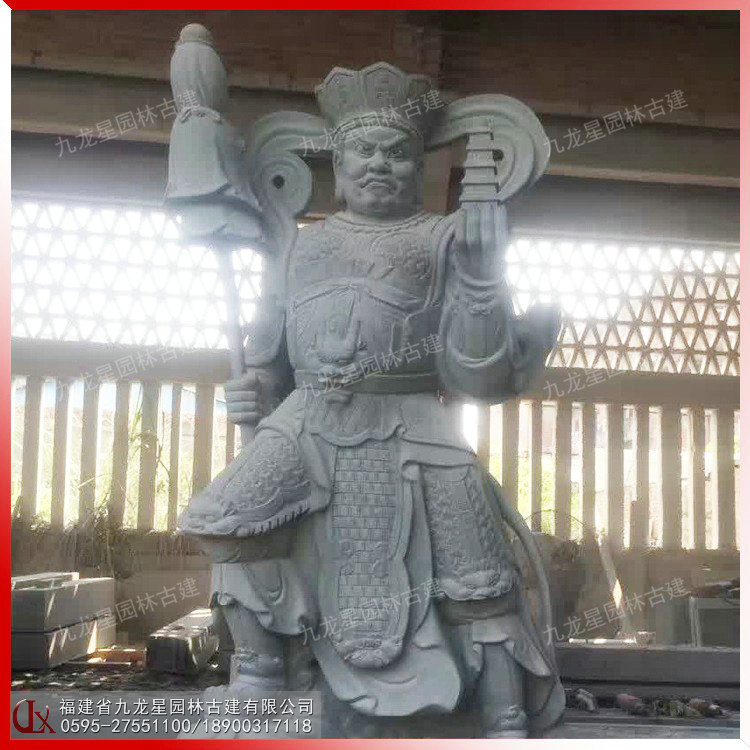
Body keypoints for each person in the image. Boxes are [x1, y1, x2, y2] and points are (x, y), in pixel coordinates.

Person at [179, 62, 564, 738]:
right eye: (364, 149)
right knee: (225, 518)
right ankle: (262, 675)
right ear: (338, 160)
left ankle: (502, 714)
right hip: (307, 420)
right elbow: (271, 361)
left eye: (397, 152)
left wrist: (482, 278)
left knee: (477, 573)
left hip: (414, 419)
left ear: (419, 165)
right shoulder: (297, 248)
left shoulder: (446, 238)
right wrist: (254, 389)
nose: (380, 163)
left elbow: (479, 379)